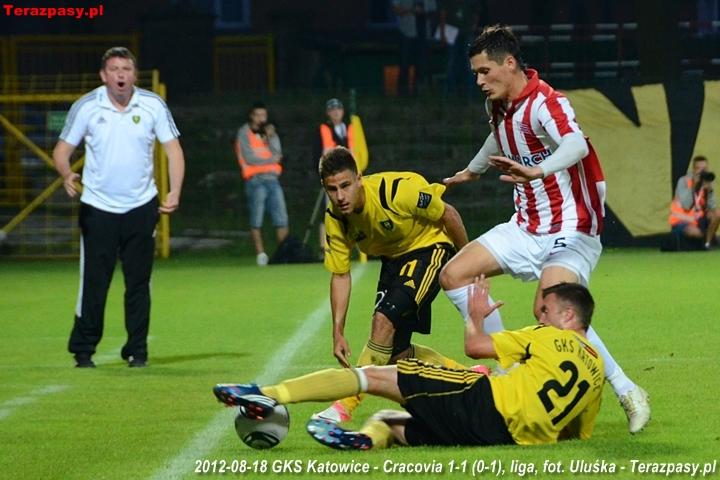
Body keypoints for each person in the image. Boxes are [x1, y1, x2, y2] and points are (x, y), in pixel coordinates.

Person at [439, 25, 650, 433]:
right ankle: (506, 371)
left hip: (572, 225)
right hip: (526, 226)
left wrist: (538, 170)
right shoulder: (498, 106)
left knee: (549, 307)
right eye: (476, 73)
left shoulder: (546, 103)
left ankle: (627, 390)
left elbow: (575, 145)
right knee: (454, 273)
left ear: (510, 63)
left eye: (484, 71)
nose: (479, 81)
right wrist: (473, 170)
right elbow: (498, 139)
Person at [213, 275, 605, 449]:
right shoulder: (598, 371)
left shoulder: (547, 336)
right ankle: (367, 439)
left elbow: (475, 347)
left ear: (569, 316)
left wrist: (475, 316)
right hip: (500, 436)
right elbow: (573, 434)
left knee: (372, 375)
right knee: (389, 419)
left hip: (482, 401)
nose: (541, 316)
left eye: (547, 311)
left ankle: (265, 393)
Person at [311, 146, 472, 424]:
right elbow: (340, 275)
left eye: (345, 186)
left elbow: (449, 215)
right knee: (396, 354)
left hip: (429, 247)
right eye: (332, 189)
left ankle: (344, 406)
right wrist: (337, 332)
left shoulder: (396, 191)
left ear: (359, 178)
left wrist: (469, 263)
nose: (340, 197)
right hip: (393, 261)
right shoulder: (336, 218)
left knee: (382, 322)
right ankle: (470, 376)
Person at [52, 46, 185, 368]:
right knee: (94, 281)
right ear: (104, 75)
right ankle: (83, 349)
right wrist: (67, 174)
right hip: (98, 208)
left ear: (134, 74)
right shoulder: (87, 106)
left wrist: (175, 191)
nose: (121, 75)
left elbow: (174, 150)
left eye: (126, 69)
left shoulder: (152, 104)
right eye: (114, 70)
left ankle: (137, 350)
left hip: (141, 206)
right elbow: (61, 150)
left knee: (139, 282)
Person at [234, 102, 289, 266]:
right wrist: (271, 159)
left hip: (273, 179)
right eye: (258, 115)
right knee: (256, 218)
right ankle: (261, 254)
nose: (261, 119)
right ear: (251, 116)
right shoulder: (244, 133)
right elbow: (250, 158)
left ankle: (284, 253)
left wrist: (270, 137)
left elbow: (278, 154)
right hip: (255, 180)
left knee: (281, 217)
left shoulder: (271, 132)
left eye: (263, 115)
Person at [313, 98, 355, 256]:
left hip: (347, 177)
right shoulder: (323, 128)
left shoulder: (348, 128)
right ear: (328, 113)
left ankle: (348, 244)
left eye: (338, 109)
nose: (336, 112)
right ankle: (325, 247)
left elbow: (354, 151)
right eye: (332, 110)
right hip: (330, 176)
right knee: (329, 211)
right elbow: (322, 152)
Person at [669, 155, 719, 249]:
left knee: (717, 213)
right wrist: (694, 186)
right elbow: (686, 205)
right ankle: (710, 238)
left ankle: (707, 244)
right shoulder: (683, 181)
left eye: (705, 169)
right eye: (699, 169)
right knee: (697, 233)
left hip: (698, 219)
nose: (702, 172)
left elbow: (713, 207)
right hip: (682, 220)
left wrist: (709, 191)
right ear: (694, 170)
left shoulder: (706, 182)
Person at [393, 0, 437, 95]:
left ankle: (418, 93)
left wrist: (424, 12)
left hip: (424, 34)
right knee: (404, 64)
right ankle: (403, 94)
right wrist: (411, 10)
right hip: (406, 33)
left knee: (421, 66)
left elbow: (434, 11)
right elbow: (396, 10)